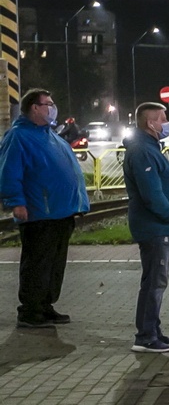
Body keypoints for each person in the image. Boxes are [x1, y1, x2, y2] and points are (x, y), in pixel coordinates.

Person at [0, 88, 90, 328]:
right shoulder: (19, 136)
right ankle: (30, 310)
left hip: (60, 212)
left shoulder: (49, 135)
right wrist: (16, 202)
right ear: (34, 108)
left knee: (54, 264)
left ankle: (45, 305)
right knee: (37, 263)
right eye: (47, 103)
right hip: (39, 212)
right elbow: (9, 173)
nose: (52, 107)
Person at [123, 102, 169, 353]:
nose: (166, 123)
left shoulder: (148, 148)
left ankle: (153, 331)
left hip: (159, 226)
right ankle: (146, 336)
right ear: (150, 123)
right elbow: (152, 194)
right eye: (162, 119)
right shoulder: (142, 151)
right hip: (155, 227)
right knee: (154, 283)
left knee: (155, 281)